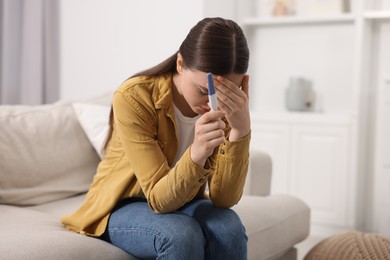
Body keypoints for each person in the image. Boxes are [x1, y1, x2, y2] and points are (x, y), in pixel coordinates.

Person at [61, 17, 251, 260]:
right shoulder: (135, 97)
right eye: (204, 91)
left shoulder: (227, 109)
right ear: (181, 64)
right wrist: (198, 152)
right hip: (121, 204)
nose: (212, 103)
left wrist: (240, 131)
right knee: (180, 234)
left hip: (181, 199)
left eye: (228, 93)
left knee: (228, 226)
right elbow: (159, 200)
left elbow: (224, 200)